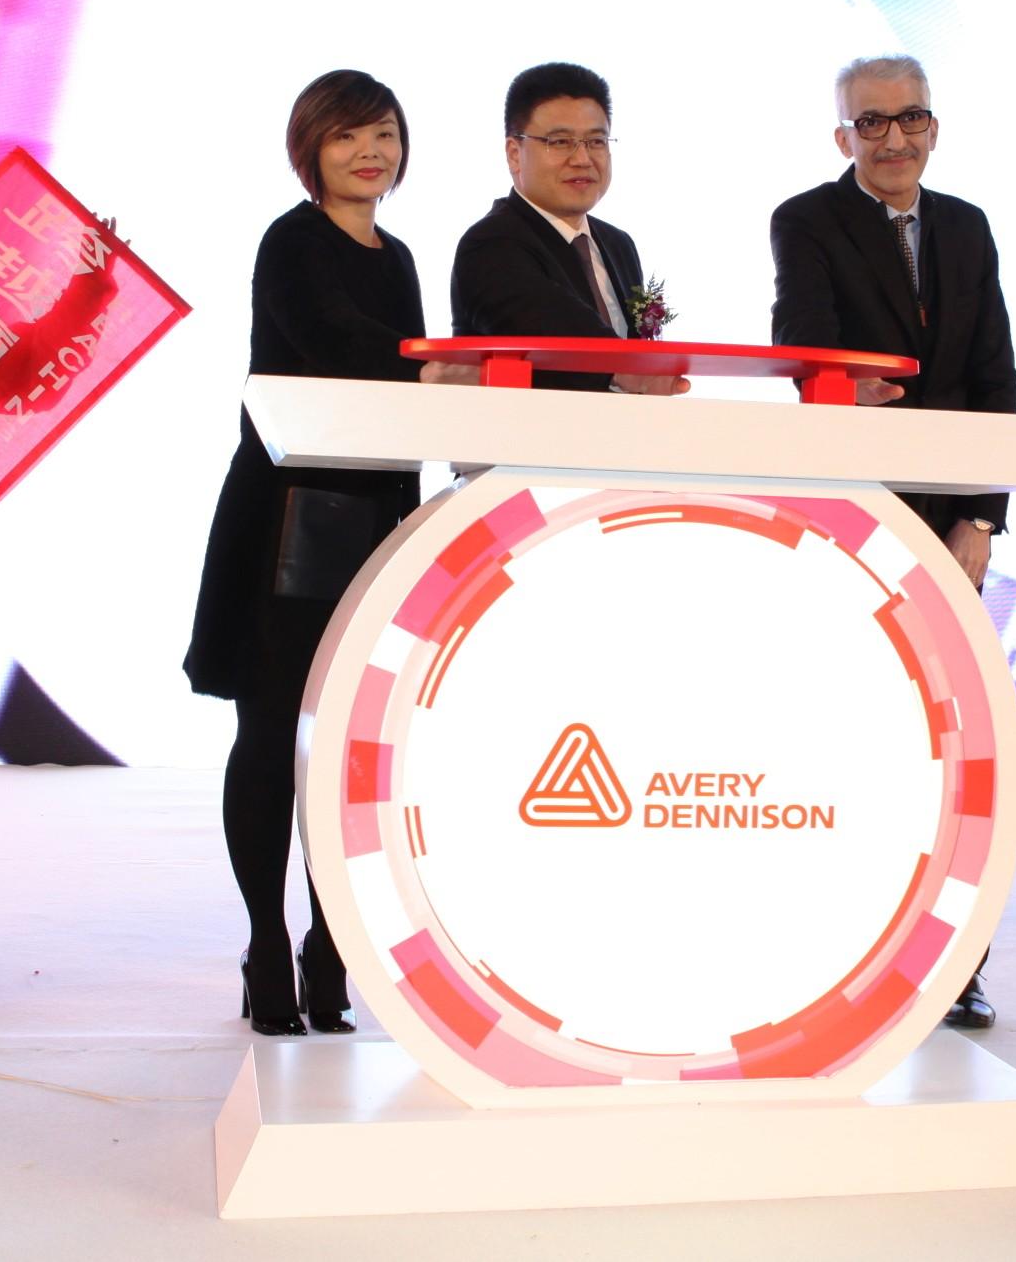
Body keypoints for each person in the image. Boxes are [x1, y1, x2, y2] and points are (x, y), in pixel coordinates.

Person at [185, 70, 478, 1036]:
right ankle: (266, 945)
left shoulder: (401, 254)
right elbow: (334, 344)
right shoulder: (291, 239)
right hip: (286, 519)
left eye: (384, 133)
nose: (369, 152)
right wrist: (433, 364)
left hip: (377, 516)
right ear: (308, 146)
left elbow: (400, 384)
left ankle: (329, 946)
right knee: (271, 738)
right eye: (347, 134)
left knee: (350, 745)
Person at [769, 53, 1016, 1029]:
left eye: (908, 118)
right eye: (870, 123)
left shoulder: (968, 226)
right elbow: (801, 344)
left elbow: (995, 377)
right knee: (853, 745)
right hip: (853, 522)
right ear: (843, 136)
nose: (892, 138)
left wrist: (981, 517)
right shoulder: (805, 220)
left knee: (957, 757)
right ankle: (840, 961)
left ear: (933, 127)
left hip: (952, 530)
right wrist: (837, 385)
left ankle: (958, 968)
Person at [449, 61, 687, 395]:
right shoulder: (490, 243)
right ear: (514, 154)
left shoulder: (618, 244)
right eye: (560, 142)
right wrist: (634, 369)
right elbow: (551, 327)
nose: (582, 159)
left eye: (596, 141)